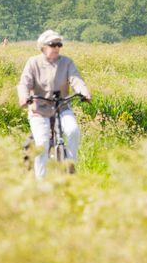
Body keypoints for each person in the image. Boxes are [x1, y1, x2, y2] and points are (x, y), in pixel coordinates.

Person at [17, 30, 92, 179]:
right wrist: (24, 97)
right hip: (39, 109)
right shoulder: (33, 63)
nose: (57, 47)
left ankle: (70, 165)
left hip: (62, 106)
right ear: (43, 46)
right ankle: (41, 181)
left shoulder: (66, 62)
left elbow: (76, 79)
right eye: (53, 44)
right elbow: (24, 83)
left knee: (73, 131)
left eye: (59, 44)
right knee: (42, 143)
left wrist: (84, 92)